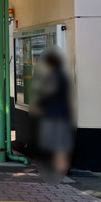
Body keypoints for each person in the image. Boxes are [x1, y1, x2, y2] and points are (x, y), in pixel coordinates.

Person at [30, 47, 74, 183]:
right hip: (60, 114)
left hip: (54, 115)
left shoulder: (55, 76)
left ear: (49, 64)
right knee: (58, 143)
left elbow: (47, 94)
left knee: (56, 143)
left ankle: (59, 171)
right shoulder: (62, 76)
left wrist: (39, 105)